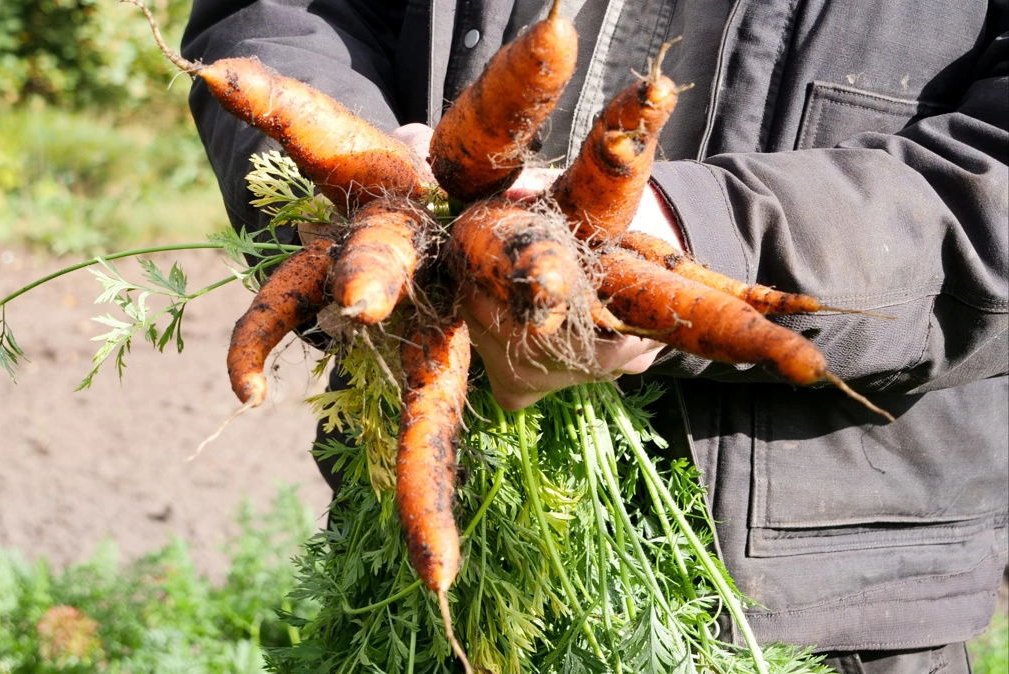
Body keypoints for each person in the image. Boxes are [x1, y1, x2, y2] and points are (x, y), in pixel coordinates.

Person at [181, 1, 1009, 670]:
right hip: (412, 551)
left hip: (825, 609)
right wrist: (351, 181)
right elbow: (282, 12)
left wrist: (690, 240)